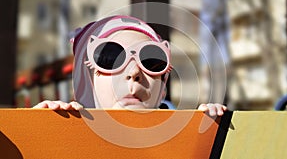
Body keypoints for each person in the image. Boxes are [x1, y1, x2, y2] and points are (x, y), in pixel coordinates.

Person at [34, 15, 227, 116]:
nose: (134, 72)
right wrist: (36, 131)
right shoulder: (71, 132)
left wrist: (210, 132)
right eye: (110, 58)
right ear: (87, 82)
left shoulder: (181, 131)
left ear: (162, 87)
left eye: (151, 61)